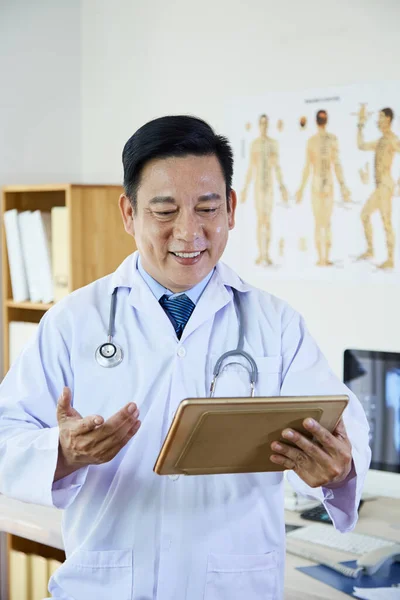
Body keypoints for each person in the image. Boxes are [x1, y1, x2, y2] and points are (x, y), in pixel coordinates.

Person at [0, 116, 370, 600]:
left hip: (233, 587)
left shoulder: (275, 324)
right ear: (128, 213)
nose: (189, 232)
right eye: (165, 210)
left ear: (231, 209)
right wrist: (64, 453)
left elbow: (343, 425)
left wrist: (339, 469)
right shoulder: (74, 320)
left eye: (207, 208)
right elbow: (6, 433)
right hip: (106, 585)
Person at [296, 109, 351, 266]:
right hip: (318, 185)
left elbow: (337, 164)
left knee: (325, 222)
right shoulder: (312, 141)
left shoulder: (331, 139)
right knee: (320, 222)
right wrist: (300, 189)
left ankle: (325, 258)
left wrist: (343, 186)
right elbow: (307, 167)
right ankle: (321, 258)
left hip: (327, 186)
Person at [241, 114, 288, 266]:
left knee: (267, 220)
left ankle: (266, 254)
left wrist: (282, 186)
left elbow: (277, 166)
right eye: (261, 124)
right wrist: (245, 189)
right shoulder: (254, 144)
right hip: (258, 187)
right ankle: (261, 254)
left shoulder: (273, 144)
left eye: (265, 124)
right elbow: (251, 168)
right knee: (260, 220)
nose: (264, 126)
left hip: (269, 187)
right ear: (258, 125)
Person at [357, 105, 400, 270]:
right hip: (379, 187)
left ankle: (390, 259)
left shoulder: (392, 139)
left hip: (385, 185)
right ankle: (370, 250)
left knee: (386, 222)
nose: (378, 120)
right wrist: (360, 124)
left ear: (388, 119)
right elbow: (360, 145)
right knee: (365, 215)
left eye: (381, 117)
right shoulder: (381, 140)